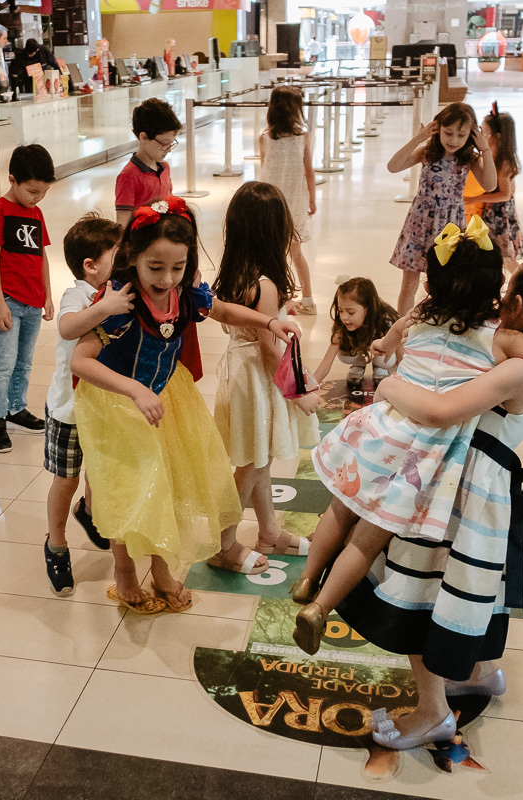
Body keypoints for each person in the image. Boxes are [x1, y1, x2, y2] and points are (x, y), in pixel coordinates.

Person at [300, 249, 523, 750]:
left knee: (421, 596)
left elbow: (441, 410)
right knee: (463, 595)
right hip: (470, 492)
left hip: (456, 497)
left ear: (515, 300)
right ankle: (478, 672)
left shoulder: (518, 369)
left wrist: (390, 387)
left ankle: (432, 712)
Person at [292, 219, 523, 647]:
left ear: (431, 282)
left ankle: (308, 579)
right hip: (424, 449)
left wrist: (386, 345)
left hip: (382, 425)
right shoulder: (501, 338)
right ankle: (321, 607)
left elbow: (393, 333)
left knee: (341, 505)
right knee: (370, 535)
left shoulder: (421, 314)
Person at [70, 197, 303, 611]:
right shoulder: (120, 303)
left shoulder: (186, 293)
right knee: (127, 491)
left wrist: (268, 321)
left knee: (168, 486)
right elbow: (81, 361)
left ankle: (160, 571)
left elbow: (223, 310)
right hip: (117, 404)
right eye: (155, 268)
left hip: (166, 397)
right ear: (134, 257)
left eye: (177, 268)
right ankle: (125, 573)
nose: (166, 278)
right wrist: (135, 390)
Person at [212, 183, 321, 566]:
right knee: (253, 464)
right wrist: (300, 390)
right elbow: (271, 352)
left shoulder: (239, 274)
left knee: (259, 458)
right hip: (260, 380)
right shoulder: (265, 285)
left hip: (243, 375)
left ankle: (269, 531)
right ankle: (223, 545)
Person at [41, 213, 133, 596]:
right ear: (90, 265)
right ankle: (56, 545)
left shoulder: (115, 288)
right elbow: (66, 327)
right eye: (117, 254)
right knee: (67, 480)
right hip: (69, 410)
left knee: (100, 471)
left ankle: (89, 512)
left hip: (102, 407)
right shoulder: (78, 293)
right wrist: (105, 307)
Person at [389, 102, 498, 316]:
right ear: (437, 129)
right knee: (409, 285)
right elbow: (393, 166)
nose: (454, 140)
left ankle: (436, 331)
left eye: (461, 134)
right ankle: (403, 334)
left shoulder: (469, 158)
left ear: (471, 135)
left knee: (445, 283)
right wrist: (418, 138)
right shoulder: (427, 152)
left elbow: (490, 185)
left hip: (450, 224)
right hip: (421, 222)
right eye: (448, 133)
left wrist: (484, 148)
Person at [0, 144, 55, 453]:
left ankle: (16, 408)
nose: (37, 198)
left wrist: (48, 295)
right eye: (32, 191)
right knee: (4, 362)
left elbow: (42, 257)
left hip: (33, 301)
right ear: (12, 180)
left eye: (43, 192)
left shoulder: (35, 213)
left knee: (24, 362)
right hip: (8, 300)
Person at [259, 86, 317, 314]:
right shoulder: (302, 138)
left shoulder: (264, 139)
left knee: (273, 253)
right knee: (296, 253)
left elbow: (264, 171)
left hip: (271, 204)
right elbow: (308, 171)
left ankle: (277, 296)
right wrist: (312, 199)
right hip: (294, 203)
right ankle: (309, 300)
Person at [312, 277, 398, 388]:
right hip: (361, 345)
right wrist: (310, 388)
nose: (344, 317)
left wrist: (406, 381)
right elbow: (326, 362)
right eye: (341, 310)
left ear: (367, 309)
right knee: (346, 354)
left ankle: (379, 366)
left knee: (385, 360)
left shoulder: (386, 320)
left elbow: (400, 350)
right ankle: (358, 364)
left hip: (381, 349)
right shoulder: (343, 325)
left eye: (351, 312)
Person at [115, 98, 181, 229]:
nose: (168, 149)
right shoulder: (128, 176)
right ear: (143, 137)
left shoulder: (164, 167)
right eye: (164, 144)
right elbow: (123, 224)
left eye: (171, 143)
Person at [475, 103, 523, 269]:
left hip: (499, 215)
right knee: (493, 254)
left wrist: (473, 199)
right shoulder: (492, 157)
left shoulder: (503, 163)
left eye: (484, 131)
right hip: (493, 213)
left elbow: (505, 195)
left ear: (495, 137)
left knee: (505, 256)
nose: (480, 134)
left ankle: (522, 284)